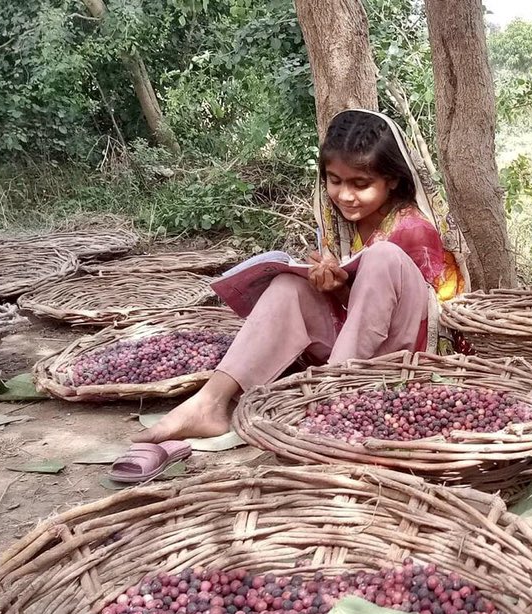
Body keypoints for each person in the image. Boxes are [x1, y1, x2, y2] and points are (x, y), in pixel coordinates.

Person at [133, 109, 470, 444]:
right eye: (335, 181)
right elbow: (358, 309)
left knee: (382, 257)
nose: (345, 195)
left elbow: (411, 316)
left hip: (406, 359)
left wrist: (345, 288)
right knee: (288, 284)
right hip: (351, 352)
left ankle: (328, 399)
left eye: (361, 184)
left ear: (392, 180)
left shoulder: (412, 228)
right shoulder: (340, 222)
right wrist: (334, 286)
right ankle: (210, 403)